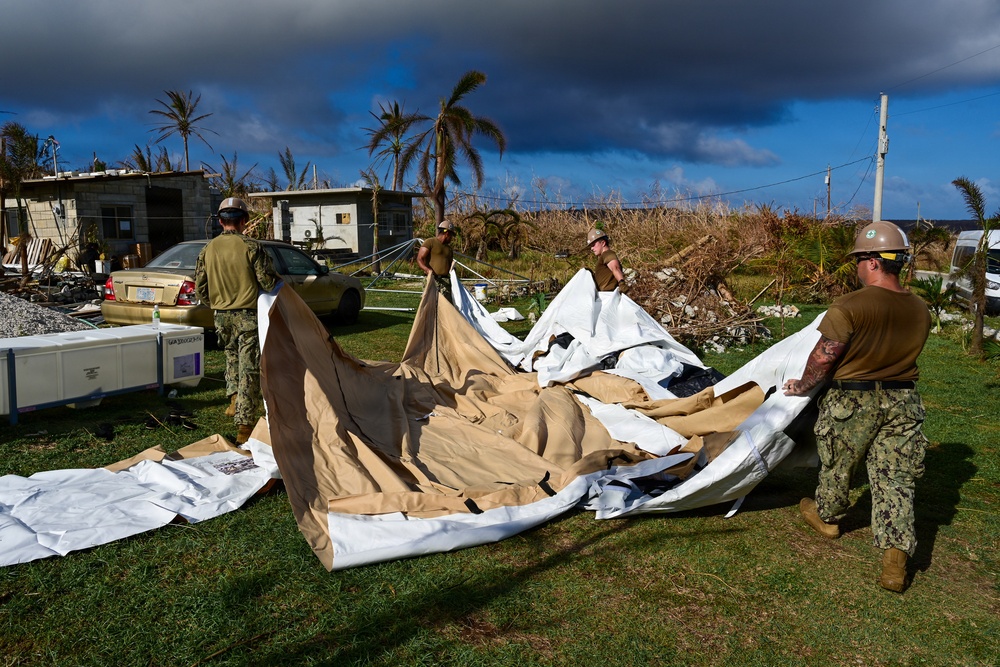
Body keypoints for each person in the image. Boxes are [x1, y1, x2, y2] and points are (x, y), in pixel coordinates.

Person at [783, 220, 931, 593]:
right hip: (904, 399)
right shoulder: (919, 308)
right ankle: (895, 562)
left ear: (873, 261)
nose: (857, 267)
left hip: (854, 398)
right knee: (896, 477)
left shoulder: (850, 304)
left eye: (858, 260)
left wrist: (801, 385)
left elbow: (824, 357)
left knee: (839, 462)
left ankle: (828, 516)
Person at [195, 197, 279, 445]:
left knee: (231, 360)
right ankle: (244, 425)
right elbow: (268, 282)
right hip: (247, 317)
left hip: (221, 317)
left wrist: (218, 303)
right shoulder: (252, 247)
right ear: (244, 221)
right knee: (250, 369)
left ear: (220, 221)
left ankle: (234, 400)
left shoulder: (207, 250)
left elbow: (201, 288)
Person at [417, 219, 456, 303]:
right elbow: (419, 258)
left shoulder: (449, 249)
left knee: (446, 306)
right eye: (451, 236)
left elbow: (449, 264)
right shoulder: (430, 242)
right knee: (430, 305)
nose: (451, 239)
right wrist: (427, 270)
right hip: (432, 279)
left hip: (445, 281)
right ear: (447, 233)